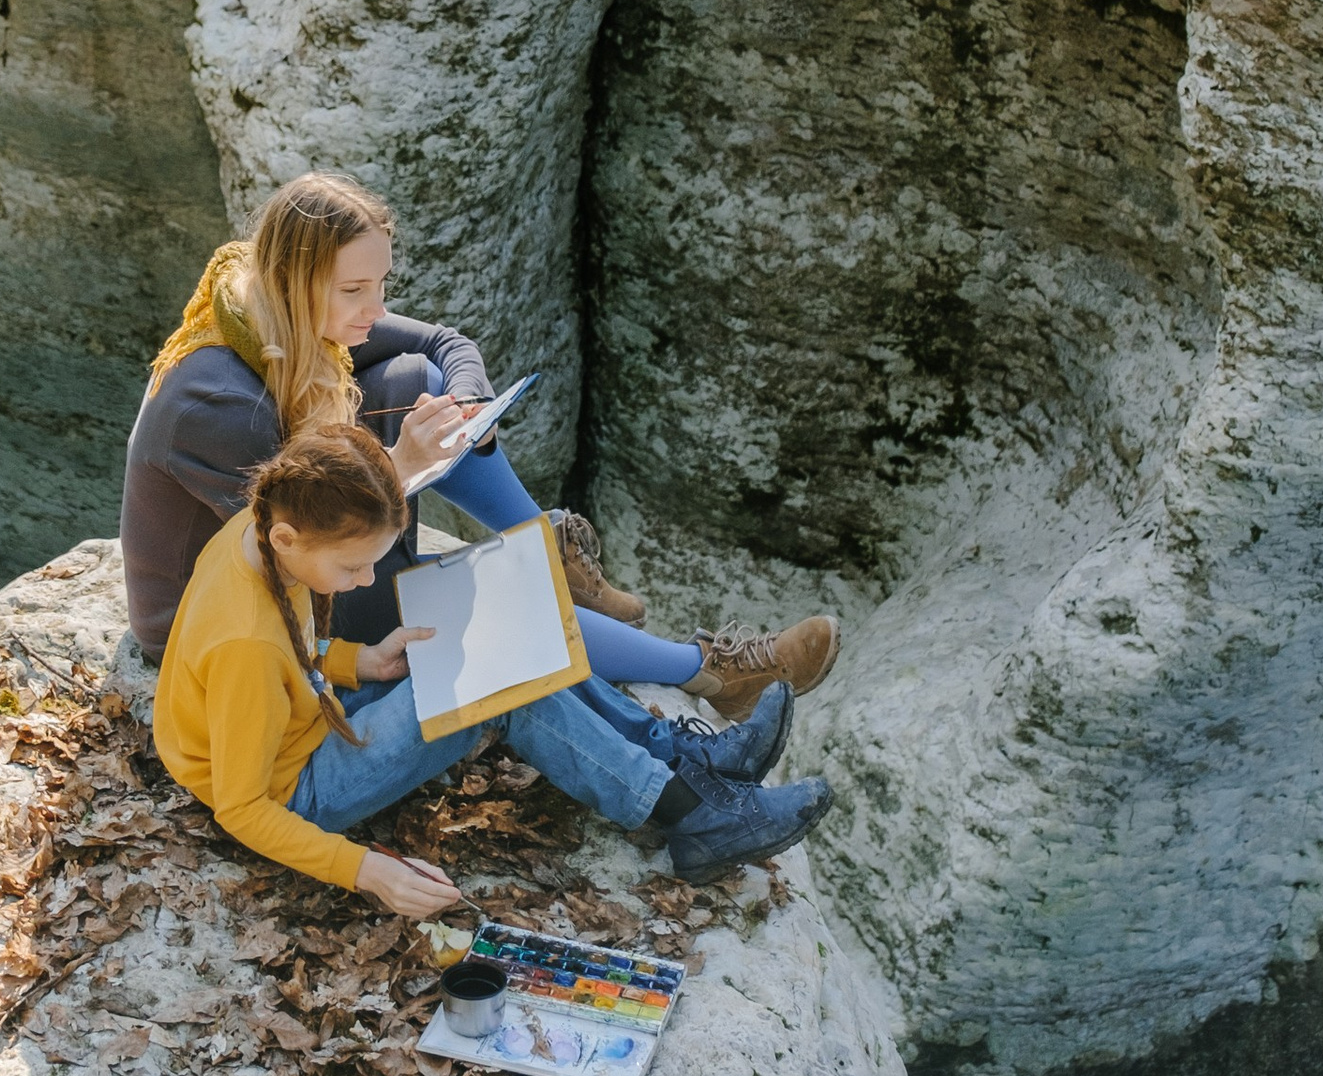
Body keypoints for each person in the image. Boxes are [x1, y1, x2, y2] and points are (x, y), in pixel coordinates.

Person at [120, 172, 840, 728]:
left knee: (420, 381)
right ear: (292, 279)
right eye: (356, 290)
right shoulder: (221, 403)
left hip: (304, 535)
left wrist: (466, 404)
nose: (375, 310)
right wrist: (399, 470)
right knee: (484, 595)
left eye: (382, 283)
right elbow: (296, 552)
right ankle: (708, 673)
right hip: (229, 617)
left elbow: (444, 345)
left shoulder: (276, 316)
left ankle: (539, 544)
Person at [152, 423, 832, 902]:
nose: (364, 582)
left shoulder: (263, 527)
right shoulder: (243, 642)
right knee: (504, 688)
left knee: (508, 626)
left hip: (317, 714)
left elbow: (292, 651)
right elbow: (242, 808)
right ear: (286, 537)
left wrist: (359, 661)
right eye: (352, 565)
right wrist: (366, 871)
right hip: (299, 785)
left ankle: (690, 762)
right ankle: (693, 817)